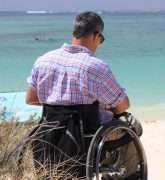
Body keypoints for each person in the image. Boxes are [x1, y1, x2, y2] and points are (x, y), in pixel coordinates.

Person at [25, 11, 140, 178]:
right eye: (101, 39)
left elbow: (31, 99)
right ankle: (125, 175)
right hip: (88, 137)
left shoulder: (43, 60)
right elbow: (122, 105)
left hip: (49, 134)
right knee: (133, 126)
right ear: (96, 35)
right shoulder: (96, 68)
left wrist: (60, 102)